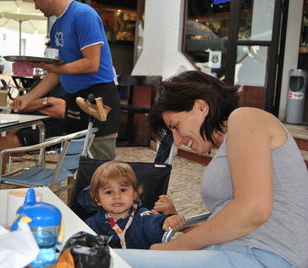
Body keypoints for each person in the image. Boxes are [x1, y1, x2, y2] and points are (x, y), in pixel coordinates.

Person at [113, 70, 308, 268]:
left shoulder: (246, 117)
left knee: (105, 261)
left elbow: (253, 211)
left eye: (176, 126)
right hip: (236, 252)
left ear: (201, 107)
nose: (178, 140)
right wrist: (181, 222)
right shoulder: (233, 142)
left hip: (262, 256)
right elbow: (231, 225)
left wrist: (174, 247)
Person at [11, 0, 120, 161]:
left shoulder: (83, 15)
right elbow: (58, 72)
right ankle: (73, 188)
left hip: (98, 96)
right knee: (70, 159)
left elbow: (92, 63)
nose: (36, 6)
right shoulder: (56, 26)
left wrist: (55, 68)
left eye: (35, 1)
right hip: (73, 98)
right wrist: (28, 97)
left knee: (98, 162)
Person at [85, 160, 185, 249]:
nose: (117, 196)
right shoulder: (90, 225)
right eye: (109, 192)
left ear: (135, 194)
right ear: (97, 199)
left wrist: (166, 221)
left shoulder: (143, 217)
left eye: (123, 190)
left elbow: (155, 222)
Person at [0, 83, 66, 174]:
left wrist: (35, 107)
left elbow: (61, 111)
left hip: (50, 129)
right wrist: (48, 101)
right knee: (3, 131)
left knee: (5, 139)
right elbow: (22, 106)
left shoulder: (70, 85)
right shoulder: (42, 83)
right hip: (29, 121)